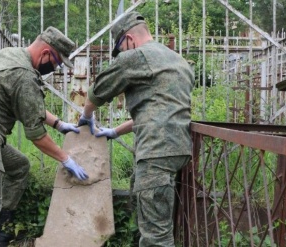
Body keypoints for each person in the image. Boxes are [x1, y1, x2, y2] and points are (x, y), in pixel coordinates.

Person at [0, 26, 88, 247]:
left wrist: (59, 124)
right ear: (46, 54)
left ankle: (1, 227)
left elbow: (27, 105)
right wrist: (66, 158)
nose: (54, 68)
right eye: (56, 64)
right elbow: (36, 135)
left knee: (19, 167)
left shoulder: (10, 54)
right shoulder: (23, 74)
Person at [78, 11, 194, 247]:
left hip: (156, 153)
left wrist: (87, 116)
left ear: (128, 40)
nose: (121, 54)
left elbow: (98, 90)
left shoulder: (137, 57)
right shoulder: (177, 60)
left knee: (156, 238)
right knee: (155, 219)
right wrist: (114, 131)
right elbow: (157, 111)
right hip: (179, 149)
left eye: (120, 49)